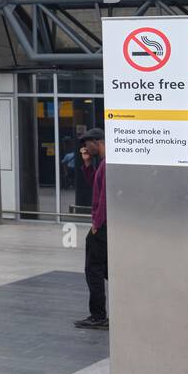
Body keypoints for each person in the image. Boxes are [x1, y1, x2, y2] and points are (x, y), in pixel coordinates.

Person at [75, 127, 109, 330]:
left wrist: (97, 224)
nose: (84, 148)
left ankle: (98, 316)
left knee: (93, 270)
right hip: (102, 224)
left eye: (87, 145)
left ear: (98, 142)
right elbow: (94, 186)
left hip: (102, 225)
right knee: (104, 268)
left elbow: (104, 197)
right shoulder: (103, 164)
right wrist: (87, 164)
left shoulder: (108, 164)